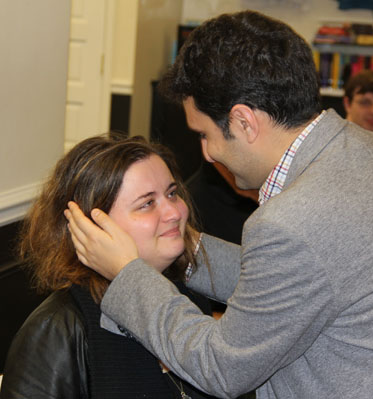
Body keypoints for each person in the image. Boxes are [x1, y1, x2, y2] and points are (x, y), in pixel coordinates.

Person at [65, 11, 373, 399]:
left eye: (204, 134)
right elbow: (295, 283)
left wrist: (127, 273)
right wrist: (178, 242)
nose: (206, 154)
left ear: (243, 121)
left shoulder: (291, 222)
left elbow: (220, 367)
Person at [0, 134, 218, 399]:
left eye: (172, 193)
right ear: (91, 229)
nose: (175, 212)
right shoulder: (57, 330)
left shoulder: (187, 296)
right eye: (147, 203)